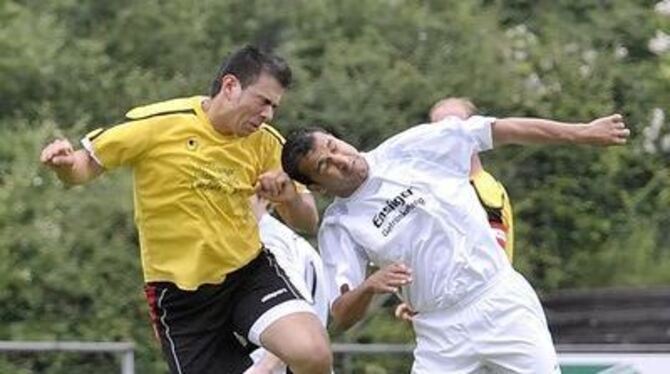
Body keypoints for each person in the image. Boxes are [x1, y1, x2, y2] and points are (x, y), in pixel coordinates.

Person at [40, 45, 332, 374]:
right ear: (231, 86)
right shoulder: (159, 124)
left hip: (246, 275)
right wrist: (64, 164)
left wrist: (289, 195)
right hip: (180, 300)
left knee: (312, 352)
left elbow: (308, 220)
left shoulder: (266, 143)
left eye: (274, 107)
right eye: (263, 101)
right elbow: (84, 167)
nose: (268, 114)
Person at [281, 114, 629, 373]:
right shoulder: (339, 225)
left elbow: (500, 129)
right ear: (318, 188)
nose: (340, 159)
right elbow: (340, 314)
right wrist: (369, 287)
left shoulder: (412, 147)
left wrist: (582, 133)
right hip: (440, 332)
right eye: (325, 165)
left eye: (333, 146)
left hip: (499, 300)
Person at [394, 96, 515, 321]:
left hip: (486, 315)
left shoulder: (482, 189)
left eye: (455, 125)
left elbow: (490, 260)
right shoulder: (439, 189)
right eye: (438, 128)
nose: (447, 135)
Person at [245, 195, 329, 374]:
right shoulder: (284, 237)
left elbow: (299, 312)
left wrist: (263, 368)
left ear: (263, 197)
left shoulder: (267, 243)